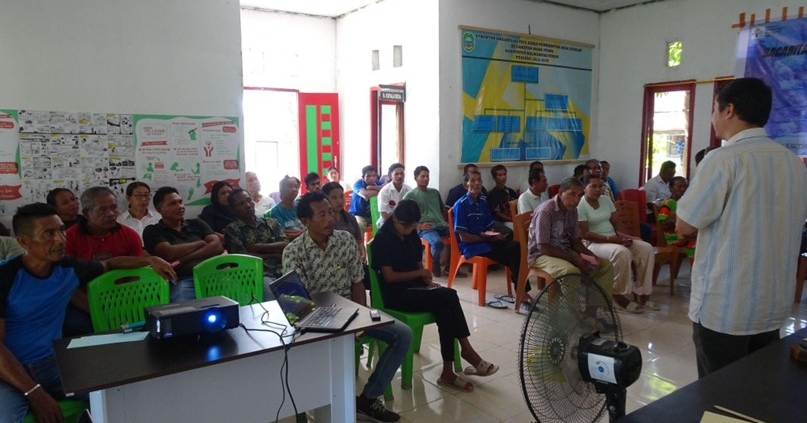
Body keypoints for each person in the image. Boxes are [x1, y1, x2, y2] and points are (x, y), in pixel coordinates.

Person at [676, 77, 807, 378]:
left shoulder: (723, 160)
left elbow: (684, 225)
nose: (713, 117)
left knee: (719, 395)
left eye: (714, 108)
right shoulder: (793, 164)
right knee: (757, 390)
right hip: (772, 305)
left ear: (729, 110)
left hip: (726, 308)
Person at [0, 203, 176, 423]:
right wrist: (34, 392)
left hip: (52, 363)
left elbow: (109, 264)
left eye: (61, 230)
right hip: (8, 373)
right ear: (24, 242)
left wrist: (150, 259)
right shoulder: (5, 277)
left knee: (120, 397)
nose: (60, 240)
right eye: (48, 234)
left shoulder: (69, 267)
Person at [282, 192, 411, 423]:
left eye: (330, 212)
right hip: (316, 320)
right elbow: (299, 304)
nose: (330, 219)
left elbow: (357, 283)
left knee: (403, 334)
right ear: (305, 221)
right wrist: (333, 328)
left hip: (351, 312)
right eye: (322, 215)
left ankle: (368, 399)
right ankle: (319, 404)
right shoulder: (294, 252)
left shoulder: (345, 240)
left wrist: (359, 320)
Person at [372, 200, 498, 393]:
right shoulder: (383, 239)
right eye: (406, 226)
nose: (409, 230)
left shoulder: (411, 234)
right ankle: (467, 350)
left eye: (413, 226)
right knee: (450, 295)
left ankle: (448, 371)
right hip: (397, 294)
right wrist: (420, 274)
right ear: (395, 218)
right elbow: (389, 277)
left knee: (444, 309)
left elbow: (417, 262)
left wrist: (426, 280)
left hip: (416, 288)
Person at [64, 187, 145, 336]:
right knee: (77, 327)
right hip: (83, 301)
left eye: (113, 208)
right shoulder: (68, 238)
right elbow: (68, 284)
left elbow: (134, 275)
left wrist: (122, 305)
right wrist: (97, 310)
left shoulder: (130, 236)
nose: (111, 214)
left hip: (122, 298)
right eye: (102, 210)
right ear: (87, 213)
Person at [577, 174, 657, 313]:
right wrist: (609, 239)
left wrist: (625, 237)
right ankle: (618, 295)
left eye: (600, 186)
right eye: (593, 186)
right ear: (584, 188)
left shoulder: (606, 200)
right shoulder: (580, 206)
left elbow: (616, 222)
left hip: (614, 239)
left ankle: (643, 292)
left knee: (646, 248)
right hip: (593, 243)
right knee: (621, 252)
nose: (598, 189)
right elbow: (584, 234)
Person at [528, 177, 615, 302]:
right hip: (540, 255)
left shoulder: (572, 211)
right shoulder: (546, 211)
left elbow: (575, 241)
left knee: (604, 266)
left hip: (564, 250)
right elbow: (543, 246)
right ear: (560, 192)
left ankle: (594, 309)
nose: (576, 200)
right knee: (571, 272)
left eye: (580, 195)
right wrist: (574, 259)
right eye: (572, 194)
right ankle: (573, 312)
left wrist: (591, 255)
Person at [453, 172, 524, 306]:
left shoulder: (483, 201)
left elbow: (489, 227)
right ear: (465, 185)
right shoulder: (461, 205)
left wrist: (494, 234)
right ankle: (521, 292)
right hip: (472, 246)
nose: (477, 183)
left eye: (479, 180)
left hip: (486, 241)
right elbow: (464, 237)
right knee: (510, 255)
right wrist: (484, 238)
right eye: (473, 181)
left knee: (515, 246)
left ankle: (521, 289)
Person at [143, 186, 224, 303]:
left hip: (214, 274)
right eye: (173, 204)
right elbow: (169, 253)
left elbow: (217, 245)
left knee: (241, 297)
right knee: (182, 306)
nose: (180, 207)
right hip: (183, 279)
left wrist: (183, 260)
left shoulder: (196, 223)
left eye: (180, 202)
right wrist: (201, 243)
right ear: (159, 209)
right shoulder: (153, 230)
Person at [223, 188, 288, 284]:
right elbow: (242, 258)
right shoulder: (233, 230)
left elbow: (286, 245)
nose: (248, 205)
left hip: (282, 268)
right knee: (272, 291)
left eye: (249, 200)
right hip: (256, 274)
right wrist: (273, 254)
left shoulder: (270, 222)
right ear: (233, 210)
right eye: (241, 204)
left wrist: (260, 247)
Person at [403, 166, 452, 277]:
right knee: (437, 242)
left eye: (427, 176)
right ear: (416, 178)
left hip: (442, 225)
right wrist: (418, 226)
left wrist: (445, 221)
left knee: (459, 236)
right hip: (427, 227)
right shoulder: (410, 195)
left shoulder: (434, 192)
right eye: (422, 176)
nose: (426, 179)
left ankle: (450, 266)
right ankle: (435, 262)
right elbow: (404, 215)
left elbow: (442, 209)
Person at [322, 182, 367, 263]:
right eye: (334, 198)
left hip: (352, 260)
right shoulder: (323, 221)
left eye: (341, 196)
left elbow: (359, 241)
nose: (339, 201)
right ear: (325, 200)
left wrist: (363, 254)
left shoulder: (351, 218)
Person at [656, 176, 695, 261]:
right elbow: (663, 225)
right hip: (674, 238)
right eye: (679, 186)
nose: (683, 189)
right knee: (697, 244)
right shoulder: (668, 203)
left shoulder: (683, 203)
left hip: (683, 235)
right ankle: (696, 268)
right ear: (670, 188)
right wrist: (676, 219)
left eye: (685, 187)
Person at [269, 176, 304, 240]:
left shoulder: (300, 205)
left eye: (296, 187)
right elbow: (282, 234)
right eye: (290, 187)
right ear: (281, 190)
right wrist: (305, 232)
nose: (294, 189)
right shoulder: (276, 211)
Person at [349, 165, 383, 232]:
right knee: (359, 225)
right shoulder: (358, 184)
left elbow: (386, 187)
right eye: (368, 176)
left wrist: (371, 188)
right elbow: (366, 195)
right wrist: (380, 191)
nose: (371, 178)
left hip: (373, 214)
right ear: (363, 177)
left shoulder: (378, 183)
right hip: (358, 215)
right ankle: (359, 239)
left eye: (373, 176)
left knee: (385, 223)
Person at [376, 163, 411, 228]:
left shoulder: (409, 190)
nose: (399, 176)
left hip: (404, 222)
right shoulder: (384, 191)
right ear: (390, 176)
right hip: (387, 221)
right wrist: (397, 225)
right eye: (396, 174)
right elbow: (384, 214)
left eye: (402, 174)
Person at [486, 164, 516, 237]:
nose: (503, 177)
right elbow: (497, 213)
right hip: (502, 222)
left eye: (504, 174)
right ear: (494, 178)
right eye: (500, 175)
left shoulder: (511, 191)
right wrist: (512, 220)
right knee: (515, 228)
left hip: (515, 218)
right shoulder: (492, 194)